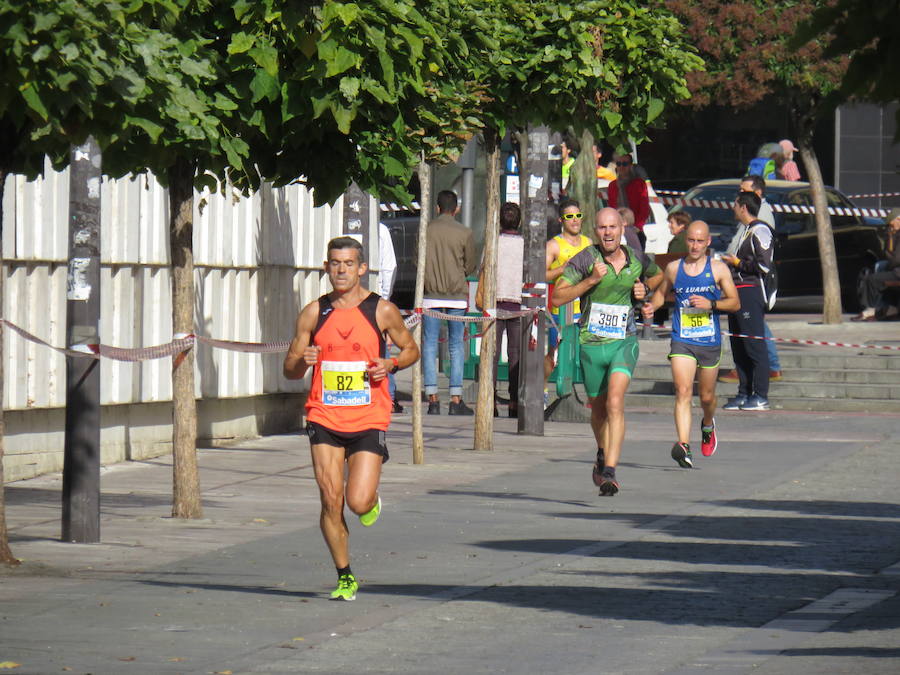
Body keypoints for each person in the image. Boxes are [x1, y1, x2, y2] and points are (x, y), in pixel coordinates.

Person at [283, 237, 420, 601]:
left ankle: (371, 501)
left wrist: (390, 364)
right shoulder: (314, 313)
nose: (341, 270)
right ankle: (344, 575)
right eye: (334, 263)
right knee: (331, 498)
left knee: (357, 503)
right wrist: (303, 360)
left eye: (348, 264)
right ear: (326, 268)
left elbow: (411, 349)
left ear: (362, 269)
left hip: (367, 415)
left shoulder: (381, 310)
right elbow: (291, 370)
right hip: (324, 414)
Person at [552, 207, 662, 496]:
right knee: (599, 410)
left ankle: (611, 471)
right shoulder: (586, 259)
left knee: (615, 401)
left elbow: (658, 275)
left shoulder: (636, 258)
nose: (608, 232)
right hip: (591, 345)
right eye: (602, 228)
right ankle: (602, 452)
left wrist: (644, 290)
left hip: (623, 342)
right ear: (596, 231)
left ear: (622, 229)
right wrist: (589, 281)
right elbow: (558, 295)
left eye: (613, 227)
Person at [642, 221, 740, 467]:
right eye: (691, 241)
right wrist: (651, 306)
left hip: (709, 340)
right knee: (683, 391)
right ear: (686, 241)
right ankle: (683, 445)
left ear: (708, 242)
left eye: (700, 241)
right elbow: (662, 293)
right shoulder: (675, 269)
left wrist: (712, 304)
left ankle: (708, 424)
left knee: (706, 396)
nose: (695, 246)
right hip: (682, 340)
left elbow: (735, 303)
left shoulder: (718, 270)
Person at [719, 176, 782, 382]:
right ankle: (755, 375)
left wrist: (737, 262)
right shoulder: (749, 223)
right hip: (740, 281)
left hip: (750, 284)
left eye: (743, 190)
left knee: (754, 329)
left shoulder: (761, 219)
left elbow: (762, 260)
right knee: (751, 327)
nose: (738, 193)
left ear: (755, 194)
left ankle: (766, 371)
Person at [422, 190, 477, 415]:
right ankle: (455, 399)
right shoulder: (465, 232)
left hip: (430, 294)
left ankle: (432, 399)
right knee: (456, 345)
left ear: (437, 208)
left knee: (429, 345)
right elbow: (471, 264)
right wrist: (458, 273)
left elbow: (419, 259)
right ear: (456, 209)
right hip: (456, 296)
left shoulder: (427, 230)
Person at [720, 192, 774, 411]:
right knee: (738, 343)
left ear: (743, 207)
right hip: (736, 292)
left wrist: (737, 262)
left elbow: (764, 265)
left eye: (735, 204)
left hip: (751, 291)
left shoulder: (760, 230)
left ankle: (761, 395)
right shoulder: (745, 231)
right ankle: (744, 392)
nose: (733, 208)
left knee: (754, 344)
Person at [477, 202, 525, 417]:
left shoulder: (492, 243)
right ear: (520, 221)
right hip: (517, 304)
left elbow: (482, 268)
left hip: (494, 304)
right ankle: (514, 401)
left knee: (492, 355)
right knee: (515, 354)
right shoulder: (525, 244)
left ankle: (490, 402)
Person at [545, 199, 593, 405]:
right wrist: (561, 270)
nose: (575, 220)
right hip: (561, 310)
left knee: (587, 355)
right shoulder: (554, 244)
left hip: (584, 310)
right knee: (555, 354)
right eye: (569, 216)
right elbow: (542, 274)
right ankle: (542, 389)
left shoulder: (589, 243)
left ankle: (591, 396)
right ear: (561, 220)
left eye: (578, 216)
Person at [853, 207, 900, 321]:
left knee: (872, 280)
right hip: (896, 268)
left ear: (897, 220)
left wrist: (889, 267)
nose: (890, 227)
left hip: (898, 270)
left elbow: (896, 259)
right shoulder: (894, 235)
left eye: (891, 224)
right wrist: (890, 237)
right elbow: (887, 255)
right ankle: (885, 306)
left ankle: (871, 308)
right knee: (879, 267)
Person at [378, 222, 403, 413]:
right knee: (383, 349)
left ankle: (389, 396)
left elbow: (389, 268)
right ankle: (390, 397)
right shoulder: (380, 230)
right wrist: (384, 298)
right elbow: (389, 267)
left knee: (382, 349)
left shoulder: (380, 230)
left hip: (375, 300)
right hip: (376, 298)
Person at [607, 153, 650, 249]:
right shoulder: (612, 186)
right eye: (619, 164)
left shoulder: (639, 184)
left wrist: (637, 227)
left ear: (630, 165)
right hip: (616, 231)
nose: (621, 167)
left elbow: (644, 208)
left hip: (635, 230)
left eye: (625, 164)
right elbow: (611, 208)